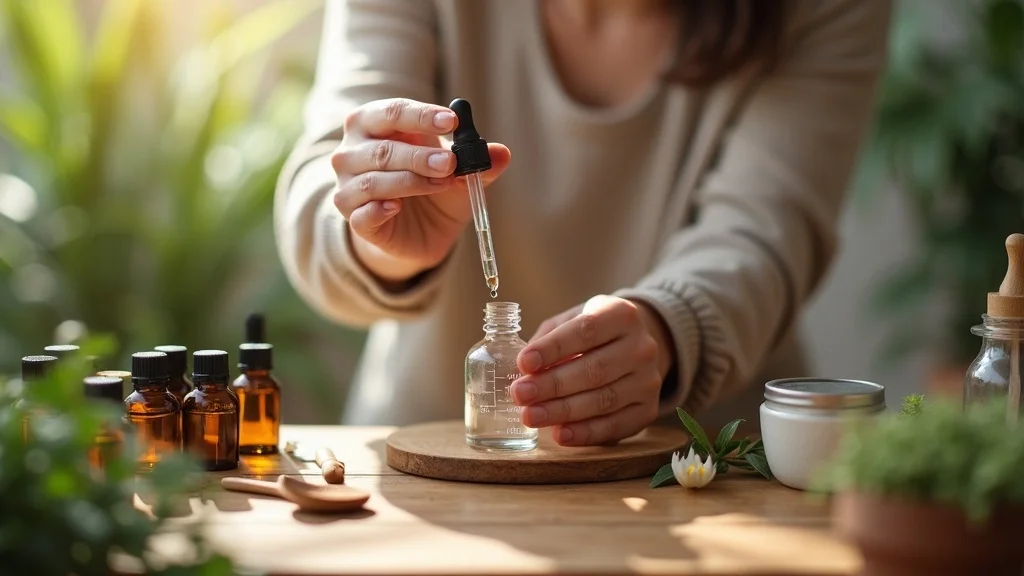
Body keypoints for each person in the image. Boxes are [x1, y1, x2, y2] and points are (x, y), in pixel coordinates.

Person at [274, 0, 892, 444]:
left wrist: (667, 329)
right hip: (432, 468)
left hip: (698, 473)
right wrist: (386, 241)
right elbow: (325, 182)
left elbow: (766, 231)